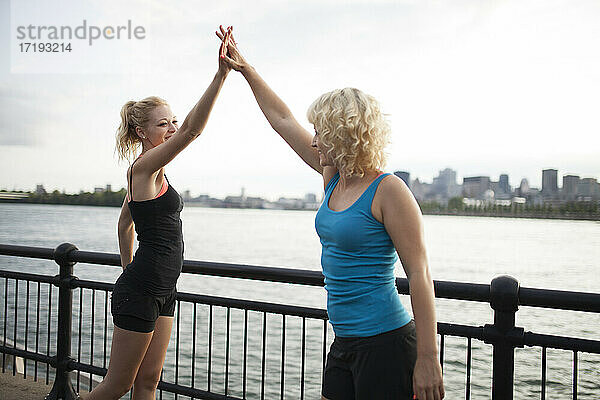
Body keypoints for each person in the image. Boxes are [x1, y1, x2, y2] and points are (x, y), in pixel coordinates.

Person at [217, 27, 444, 400]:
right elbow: (281, 119)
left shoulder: (389, 191)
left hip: (386, 343)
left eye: (321, 132)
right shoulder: (332, 179)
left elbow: (419, 275)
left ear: (344, 135)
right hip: (344, 341)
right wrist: (245, 69)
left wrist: (428, 359)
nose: (315, 140)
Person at [85, 39, 231, 400]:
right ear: (142, 133)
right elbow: (192, 133)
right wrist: (220, 75)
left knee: (149, 383)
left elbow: (124, 225)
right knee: (116, 386)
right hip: (142, 290)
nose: (171, 128)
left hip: (162, 289)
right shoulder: (142, 168)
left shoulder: (155, 176)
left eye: (173, 122)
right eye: (163, 124)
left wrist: (126, 268)